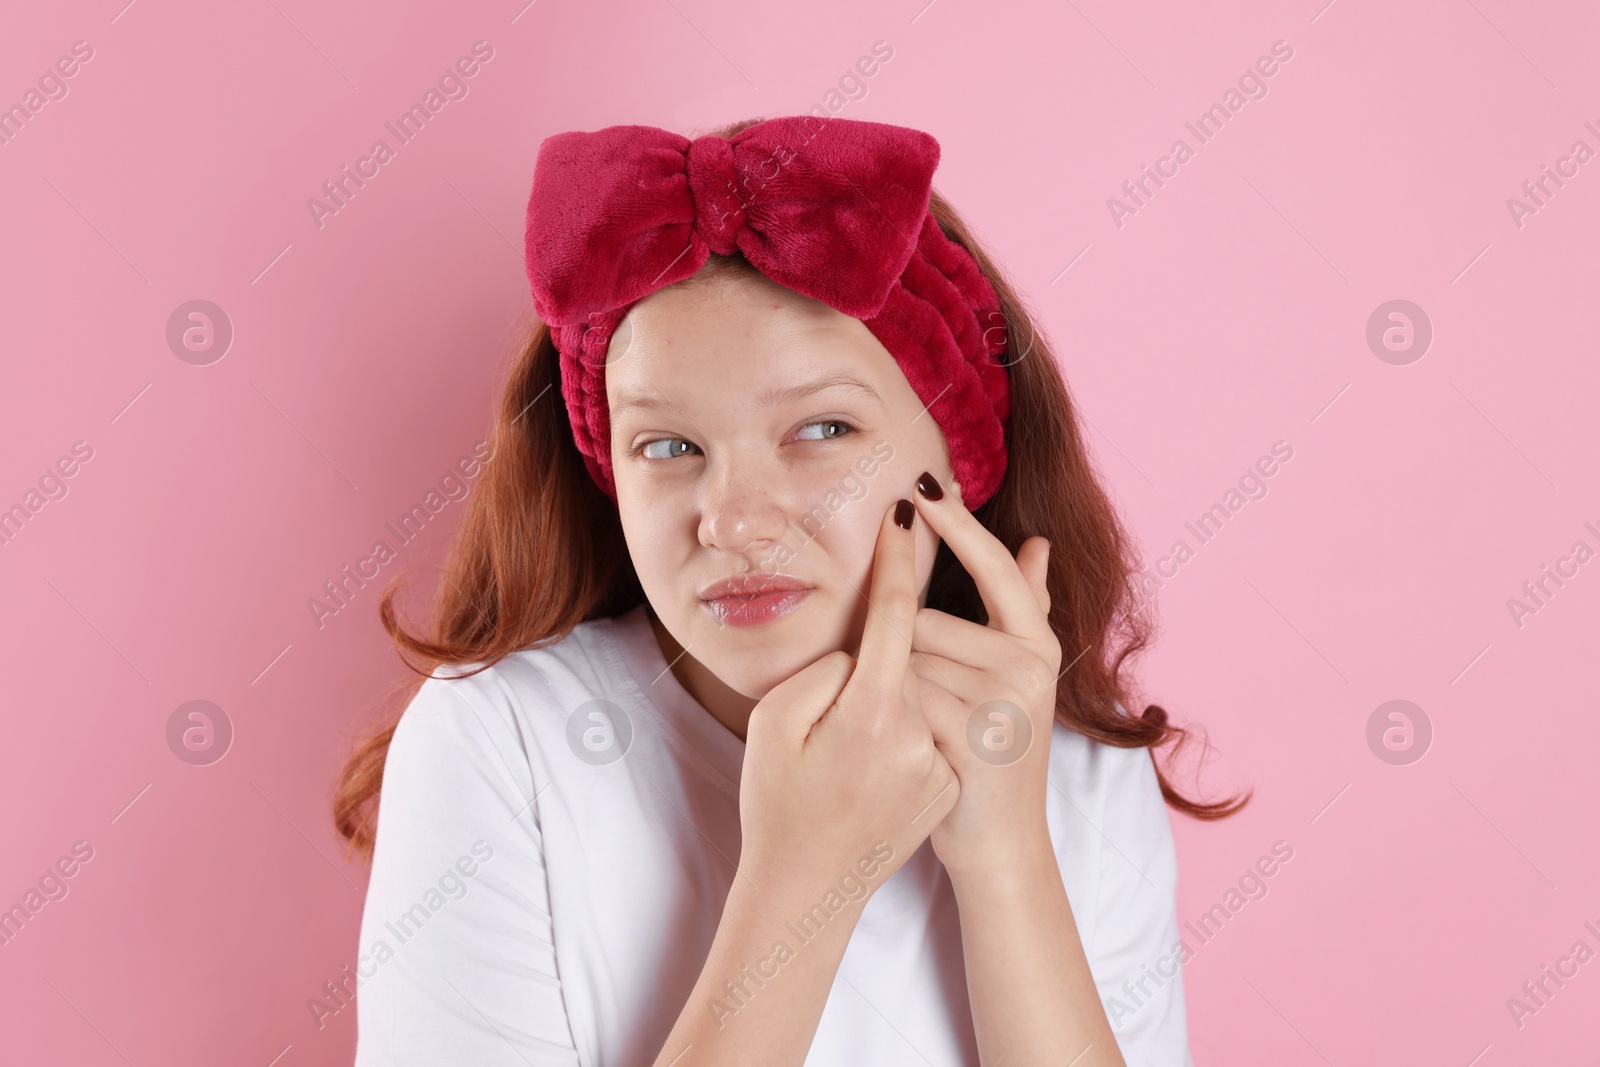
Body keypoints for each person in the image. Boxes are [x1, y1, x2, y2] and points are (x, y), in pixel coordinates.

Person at [333, 114, 1247, 1066]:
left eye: (822, 431)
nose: (734, 520)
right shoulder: (497, 743)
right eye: (670, 447)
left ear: (959, 461)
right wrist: (802, 883)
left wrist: (1007, 865)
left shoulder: (1077, 766)